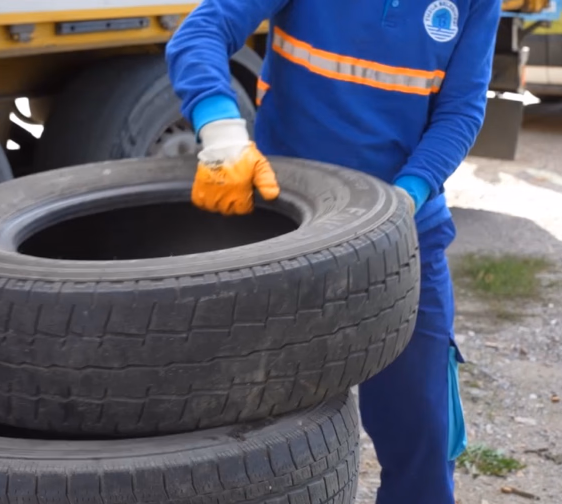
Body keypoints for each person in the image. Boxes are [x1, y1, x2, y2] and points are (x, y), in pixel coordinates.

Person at [165, 1, 501, 502]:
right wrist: (222, 133)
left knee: (423, 440)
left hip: (404, 238)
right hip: (289, 233)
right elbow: (202, 31)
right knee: (259, 436)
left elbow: (461, 110)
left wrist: (403, 199)